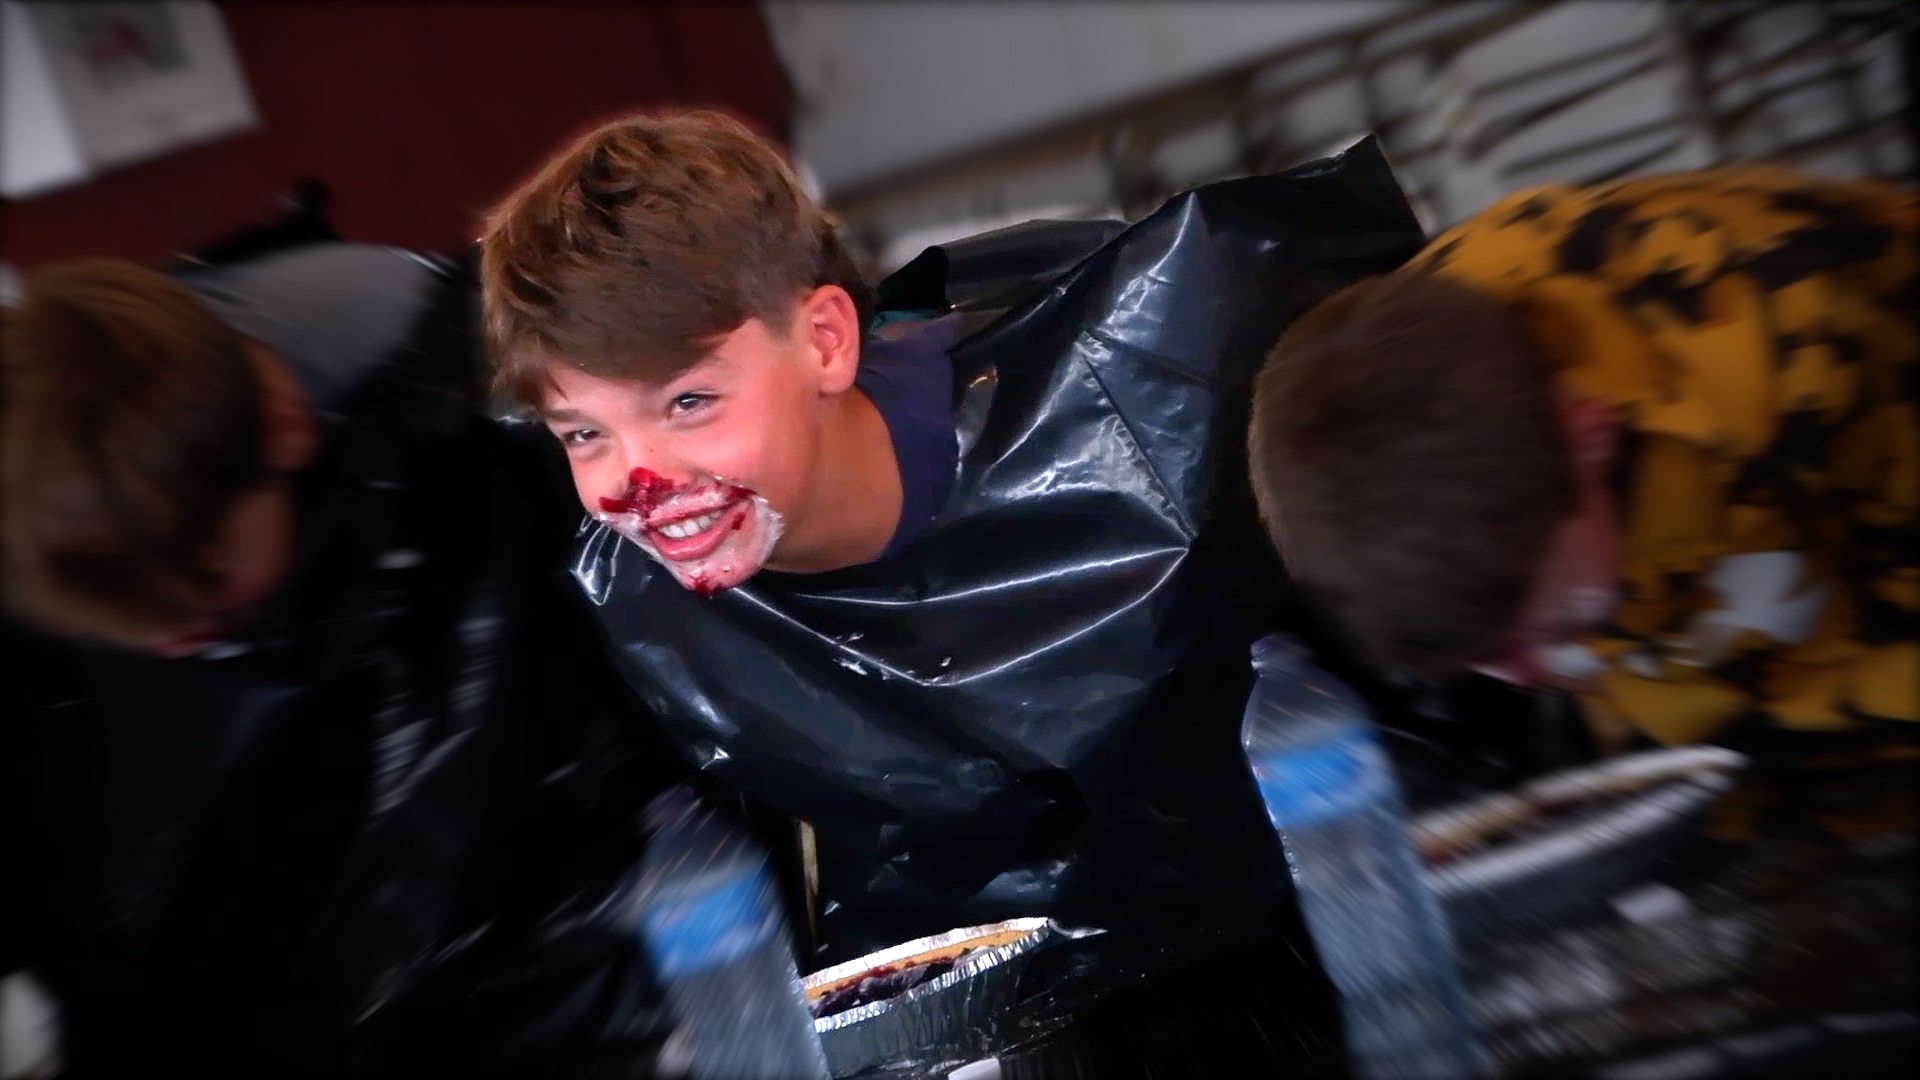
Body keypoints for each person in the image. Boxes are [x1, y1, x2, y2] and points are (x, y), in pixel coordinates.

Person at [481, 108, 1435, 1074]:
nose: (636, 483)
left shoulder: (1155, 365)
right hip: (1028, 1029)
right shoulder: (632, 608)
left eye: (688, 402)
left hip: (1367, 924)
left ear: (823, 342)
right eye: (581, 434)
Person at [0, 239, 693, 1076]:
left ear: (285, 429)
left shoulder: (474, 447)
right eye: (130, 628)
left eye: (210, 588)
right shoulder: (65, 560)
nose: (176, 643)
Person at [1249, 166, 1918, 753]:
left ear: (1586, 433)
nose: (1530, 675)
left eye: (1554, 628)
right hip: (1733, 651)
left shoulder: (1783, 331)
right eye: (1491, 656)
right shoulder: (1431, 396)